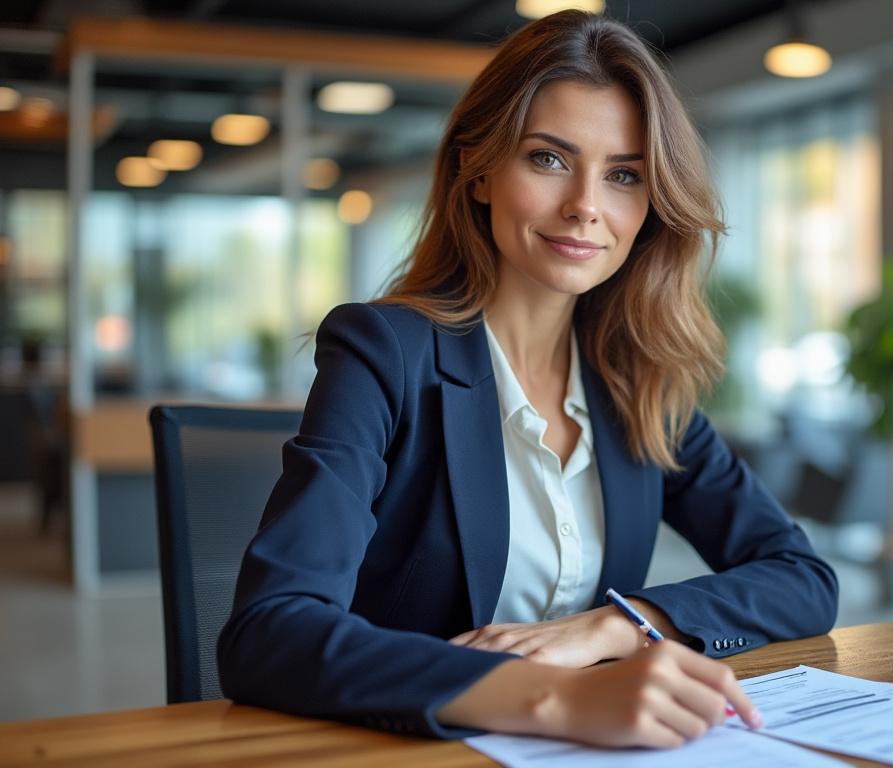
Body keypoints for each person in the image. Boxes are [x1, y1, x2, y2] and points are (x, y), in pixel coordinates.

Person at [217, 9, 838, 748]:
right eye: (548, 158)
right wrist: (551, 697)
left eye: (624, 176)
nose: (585, 206)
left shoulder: (635, 382)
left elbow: (802, 577)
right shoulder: (384, 352)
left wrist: (616, 626)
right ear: (478, 170)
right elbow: (268, 632)